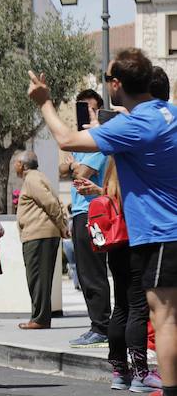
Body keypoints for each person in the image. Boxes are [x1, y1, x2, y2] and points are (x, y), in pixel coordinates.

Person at [28, 48, 177, 396]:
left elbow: (66, 139)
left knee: (165, 318)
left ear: (116, 84)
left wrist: (44, 103)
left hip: (160, 232)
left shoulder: (134, 125)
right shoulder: (168, 113)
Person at [76, 163, 161, 392]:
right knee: (138, 308)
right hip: (135, 244)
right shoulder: (135, 172)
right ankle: (140, 373)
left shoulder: (113, 174)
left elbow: (114, 197)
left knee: (121, 307)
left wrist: (97, 190)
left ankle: (119, 372)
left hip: (115, 248)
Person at [60, 89, 111, 348]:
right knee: (84, 271)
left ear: (99, 110)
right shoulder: (83, 140)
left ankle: (101, 326)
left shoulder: (98, 141)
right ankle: (98, 325)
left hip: (93, 212)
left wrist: (72, 166)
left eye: (90, 108)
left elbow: (81, 172)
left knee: (93, 271)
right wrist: (71, 167)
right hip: (81, 212)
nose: (84, 113)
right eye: (81, 107)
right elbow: (63, 167)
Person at [14, 150, 68, 330]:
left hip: (40, 235)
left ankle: (40, 319)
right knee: (38, 278)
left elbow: (51, 203)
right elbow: (55, 201)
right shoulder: (37, 177)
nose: (15, 166)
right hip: (39, 234)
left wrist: (62, 225)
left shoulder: (32, 179)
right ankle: (39, 317)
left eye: (16, 162)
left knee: (37, 278)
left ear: (23, 165)